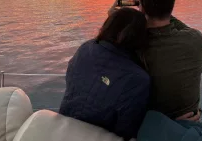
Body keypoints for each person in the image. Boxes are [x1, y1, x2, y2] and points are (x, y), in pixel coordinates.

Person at [109, 0, 202, 120]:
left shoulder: (132, 46)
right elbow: (169, 20)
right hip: (191, 120)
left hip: (152, 126)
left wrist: (114, 10)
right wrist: (157, 4)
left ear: (142, 8)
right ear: (171, 5)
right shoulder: (196, 39)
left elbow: (114, 30)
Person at [59, 8, 150, 140]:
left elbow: (70, 81)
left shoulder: (85, 48)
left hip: (66, 125)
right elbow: (127, 130)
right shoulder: (138, 79)